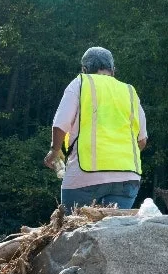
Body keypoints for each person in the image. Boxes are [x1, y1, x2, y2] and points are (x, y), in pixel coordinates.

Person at [44, 47, 147, 211]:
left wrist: (55, 151)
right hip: (127, 178)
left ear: (84, 69)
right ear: (113, 70)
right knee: (112, 232)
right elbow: (141, 141)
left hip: (84, 176)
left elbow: (60, 125)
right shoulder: (129, 91)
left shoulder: (80, 83)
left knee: (74, 231)